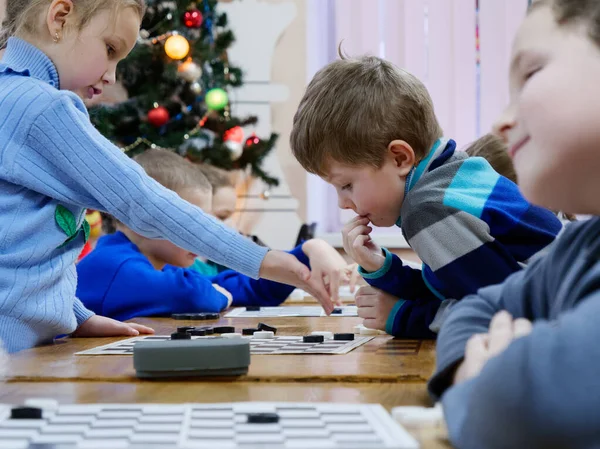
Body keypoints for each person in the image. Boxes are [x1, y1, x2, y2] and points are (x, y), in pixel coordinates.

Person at [0, 0, 333, 353]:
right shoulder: (41, 106)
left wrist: (75, 315)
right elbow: (142, 198)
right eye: (110, 49)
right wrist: (262, 259)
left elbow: (17, 240)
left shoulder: (12, 97)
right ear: (60, 18)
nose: (112, 75)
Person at [290, 54, 562, 338]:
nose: (342, 203)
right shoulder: (454, 174)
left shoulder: (428, 209)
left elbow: (499, 315)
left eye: (346, 185)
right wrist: (382, 268)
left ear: (399, 158)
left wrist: (403, 316)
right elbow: (453, 286)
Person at [427, 1, 600, 447]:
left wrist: (491, 383)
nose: (500, 122)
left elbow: (517, 413)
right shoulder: (580, 246)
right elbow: (471, 311)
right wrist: (478, 373)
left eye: (531, 74)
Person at [77, 149, 349, 321]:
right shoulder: (113, 263)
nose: (202, 236)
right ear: (138, 219)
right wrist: (219, 293)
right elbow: (192, 296)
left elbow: (246, 286)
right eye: (190, 224)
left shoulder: (164, 264)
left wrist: (309, 251)